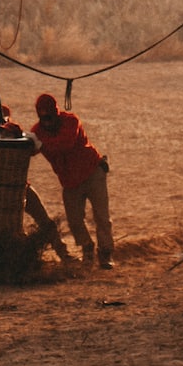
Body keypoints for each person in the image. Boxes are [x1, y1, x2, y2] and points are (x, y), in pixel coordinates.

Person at [29, 93, 114, 269]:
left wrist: (41, 144)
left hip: (92, 172)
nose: (46, 120)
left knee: (102, 217)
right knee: (74, 220)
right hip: (69, 180)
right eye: (43, 117)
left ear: (56, 112)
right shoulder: (37, 132)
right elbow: (29, 149)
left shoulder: (71, 121)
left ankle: (105, 254)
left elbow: (65, 144)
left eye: (49, 116)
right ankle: (87, 247)